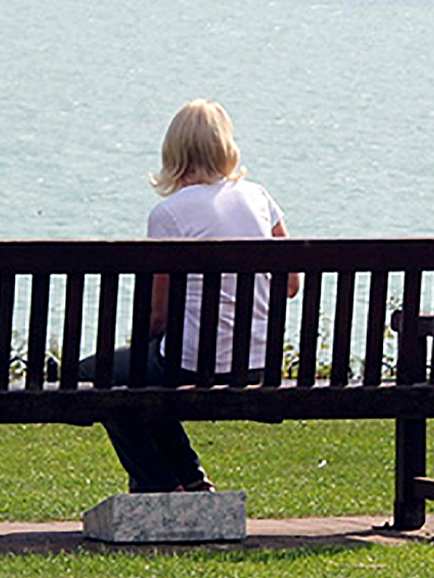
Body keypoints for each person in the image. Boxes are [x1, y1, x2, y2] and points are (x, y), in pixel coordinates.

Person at [81, 99, 299, 493]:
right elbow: (291, 284)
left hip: (192, 366)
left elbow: (159, 316)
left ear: (174, 152)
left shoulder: (169, 214)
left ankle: (161, 487)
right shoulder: (260, 198)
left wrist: (144, 343)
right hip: (256, 365)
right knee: (140, 376)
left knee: (102, 376)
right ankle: (191, 480)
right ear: (225, 147)